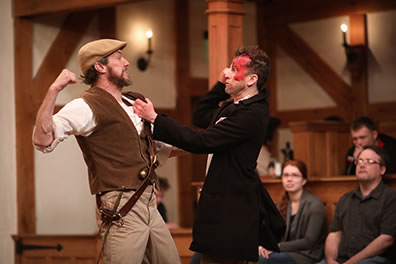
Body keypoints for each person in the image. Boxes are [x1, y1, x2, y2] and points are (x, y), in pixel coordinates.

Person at [32, 39, 181, 264]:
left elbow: (159, 150)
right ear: (100, 67)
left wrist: (213, 140)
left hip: (150, 202)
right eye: (119, 58)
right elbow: (42, 140)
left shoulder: (133, 102)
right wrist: (54, 90)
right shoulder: (86, 105)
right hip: (121, 205)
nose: (127, 62)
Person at [134, 46, 285, 263]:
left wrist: (155, 119)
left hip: (233, 211)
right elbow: (200, 115)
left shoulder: (252, 114)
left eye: (234, 69)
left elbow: (202, 141)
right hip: (221, 209)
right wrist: (219, 85)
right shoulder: (236, 106)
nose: (227, 72)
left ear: (251, 80)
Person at [318, 145, 396, 264]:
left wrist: (351, 263)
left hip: (375, 260)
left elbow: (386, 239)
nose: (362, 165)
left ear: (382, 170)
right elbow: (334, 234)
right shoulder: (345, 199)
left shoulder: (390, 197)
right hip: (342, 259)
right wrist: (330, 260)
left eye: (369, 161)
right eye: (359, 161)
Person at [259, 160, 326, 264]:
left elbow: (309, 242)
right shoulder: (281, 205)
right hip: (287, 251)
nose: (289, 179)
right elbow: (270, 233)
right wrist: (263, 245)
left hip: (308, 254)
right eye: (286, 175)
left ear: (303, 180)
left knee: (265, 259)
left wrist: (276, 247)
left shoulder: (315, 205)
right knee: (259, 254)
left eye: (295, 175)